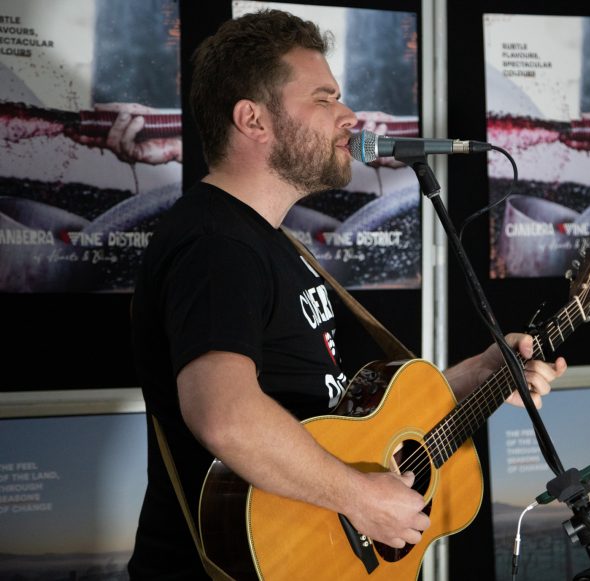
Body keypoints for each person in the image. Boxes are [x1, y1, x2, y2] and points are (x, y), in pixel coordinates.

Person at [127, 9, 567, 579]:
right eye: (324, 98)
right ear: (253, 120)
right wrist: (361, 499)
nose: (348, 115)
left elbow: (346, 416)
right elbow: (225, 414)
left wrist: (481, 374)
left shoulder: (268, 243)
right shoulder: (218, 245)